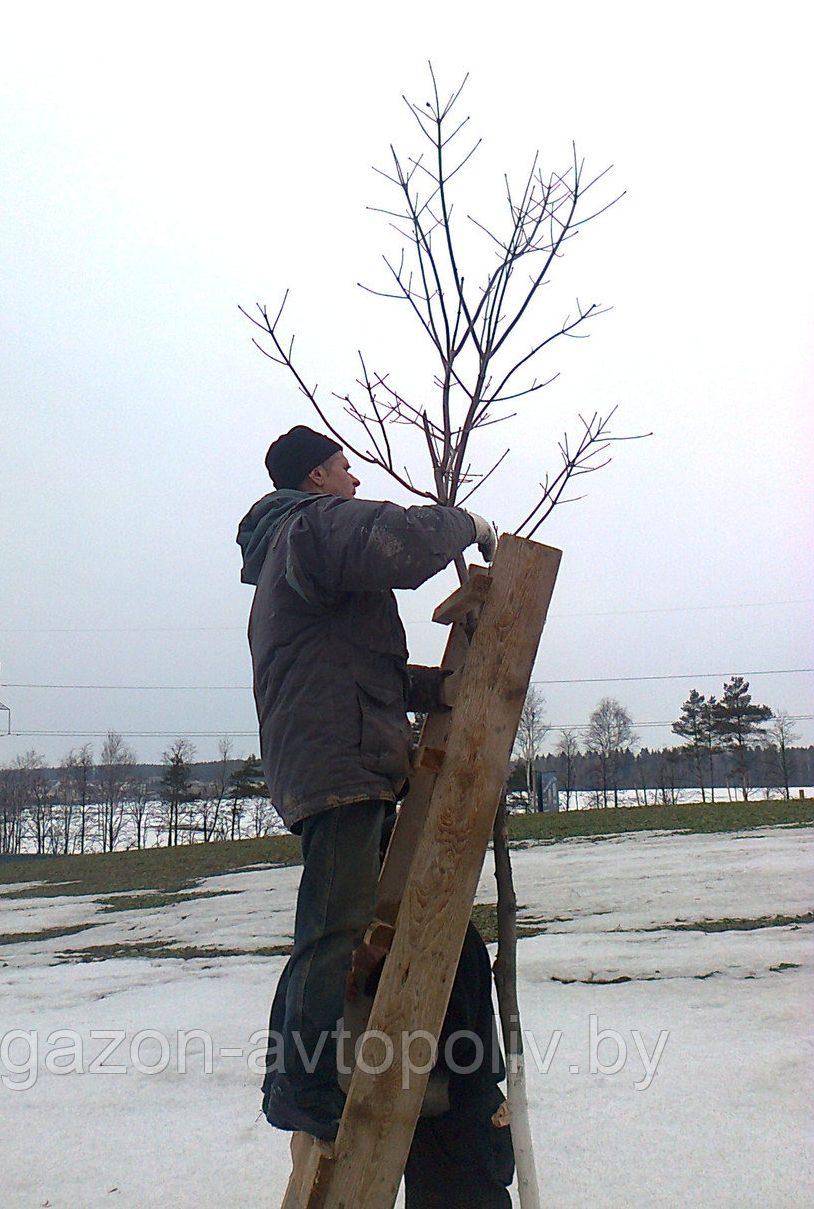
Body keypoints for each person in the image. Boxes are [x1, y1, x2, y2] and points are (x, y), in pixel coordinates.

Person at [236, 425, 512, 1203]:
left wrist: (440, 691)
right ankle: (302, 1083)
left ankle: (302, 1078)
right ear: (318, 477)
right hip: (340, 761)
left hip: (335, 750)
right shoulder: (313, 526)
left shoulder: (293, 558)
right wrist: (468, 523)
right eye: (346, 467)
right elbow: (404, 542)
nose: (356, 479)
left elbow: (360, 670)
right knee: (331, 926)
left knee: (334, 922)